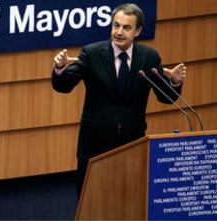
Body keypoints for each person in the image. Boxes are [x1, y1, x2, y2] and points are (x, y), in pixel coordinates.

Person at [51, 3, 186, 199]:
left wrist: (174, 81)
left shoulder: (149, 58)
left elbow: (165, 97)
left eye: (126, 27)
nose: (119, 32)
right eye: (116, 25)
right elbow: (64, 85)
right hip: (95, 144)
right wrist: (60, 69)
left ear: (138, 30)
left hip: (132, 142)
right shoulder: (92, 53)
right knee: (92, 200)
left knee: (128, 198)